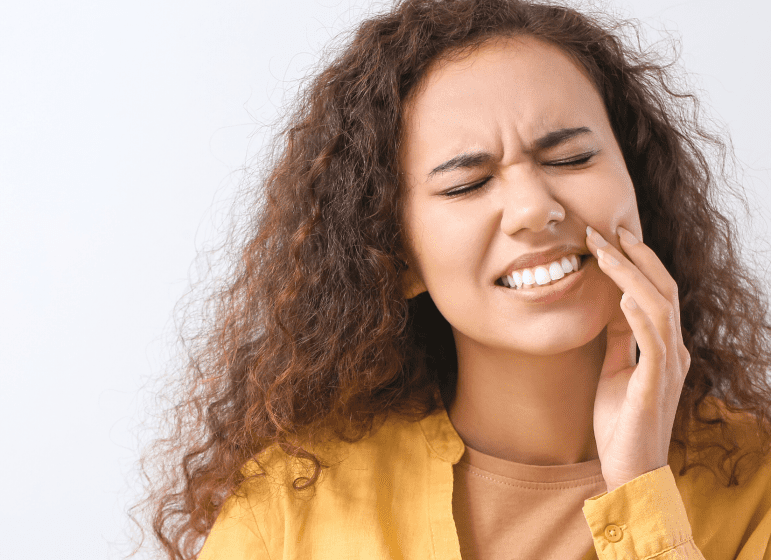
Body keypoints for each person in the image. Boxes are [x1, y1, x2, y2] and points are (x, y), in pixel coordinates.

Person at [129, 0, 771, 558]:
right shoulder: (289, 510)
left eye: (572, 157)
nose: (533, 209)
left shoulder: (758, 489)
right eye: (467, 184)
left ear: (639, 185)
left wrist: (641, 493)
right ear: (397, 256)